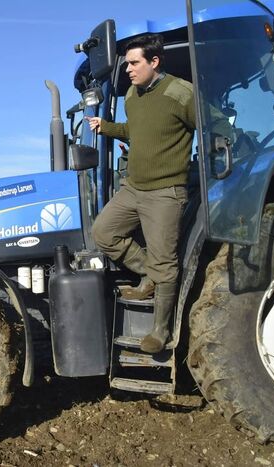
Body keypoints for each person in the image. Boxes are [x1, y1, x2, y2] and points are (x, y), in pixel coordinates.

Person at [86, 34, 195, 354]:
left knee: (166, 262)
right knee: (103, 232)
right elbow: (135, 131)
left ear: (154, 62)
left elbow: (213, 124)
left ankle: (160, 330)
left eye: (134, 63)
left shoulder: (181, 93)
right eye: (127, 64)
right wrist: (106, 126)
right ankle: (149, 274)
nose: (128, 70)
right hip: (133, 188)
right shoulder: (133, 94)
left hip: (165, 192)